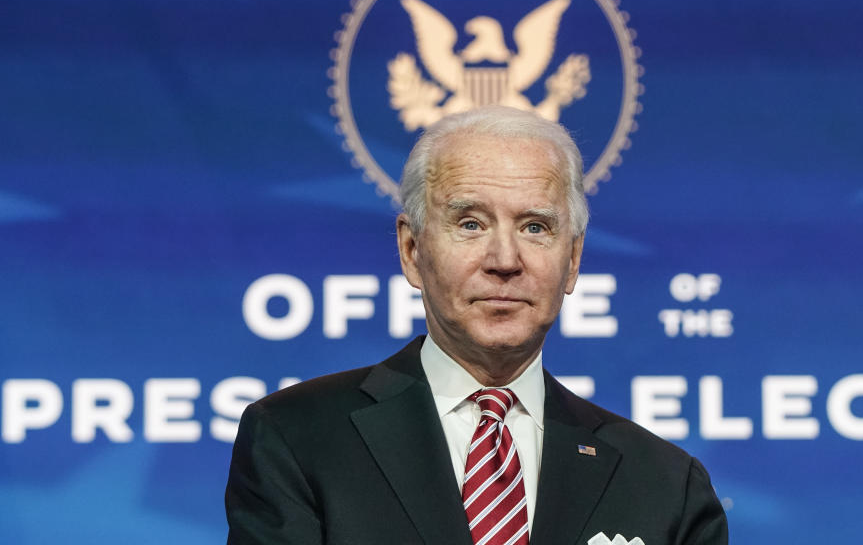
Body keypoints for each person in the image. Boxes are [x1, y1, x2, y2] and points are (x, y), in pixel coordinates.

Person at [225, 106, 728, 544]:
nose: (505, 260)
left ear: (572, 259)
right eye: (471, 224)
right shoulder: (297, 439)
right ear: (412, 250)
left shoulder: (664, 483)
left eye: (535, 227)